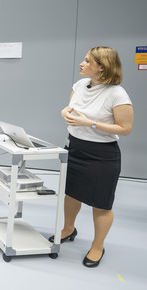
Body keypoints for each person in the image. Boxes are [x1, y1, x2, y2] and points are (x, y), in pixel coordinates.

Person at [55, 46, 133, 268]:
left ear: (102, 68)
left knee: (101, 205)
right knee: (71, 194)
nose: (82, 63)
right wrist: (65, 112)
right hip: (75, 148)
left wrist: (90, 123)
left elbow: (125, 128)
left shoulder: (117, 93)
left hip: (102, 155)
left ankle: (98, 246)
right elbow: (69, 108)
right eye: (84, 59)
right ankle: (68, 229)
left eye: (88, 61)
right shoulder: (80, 85)